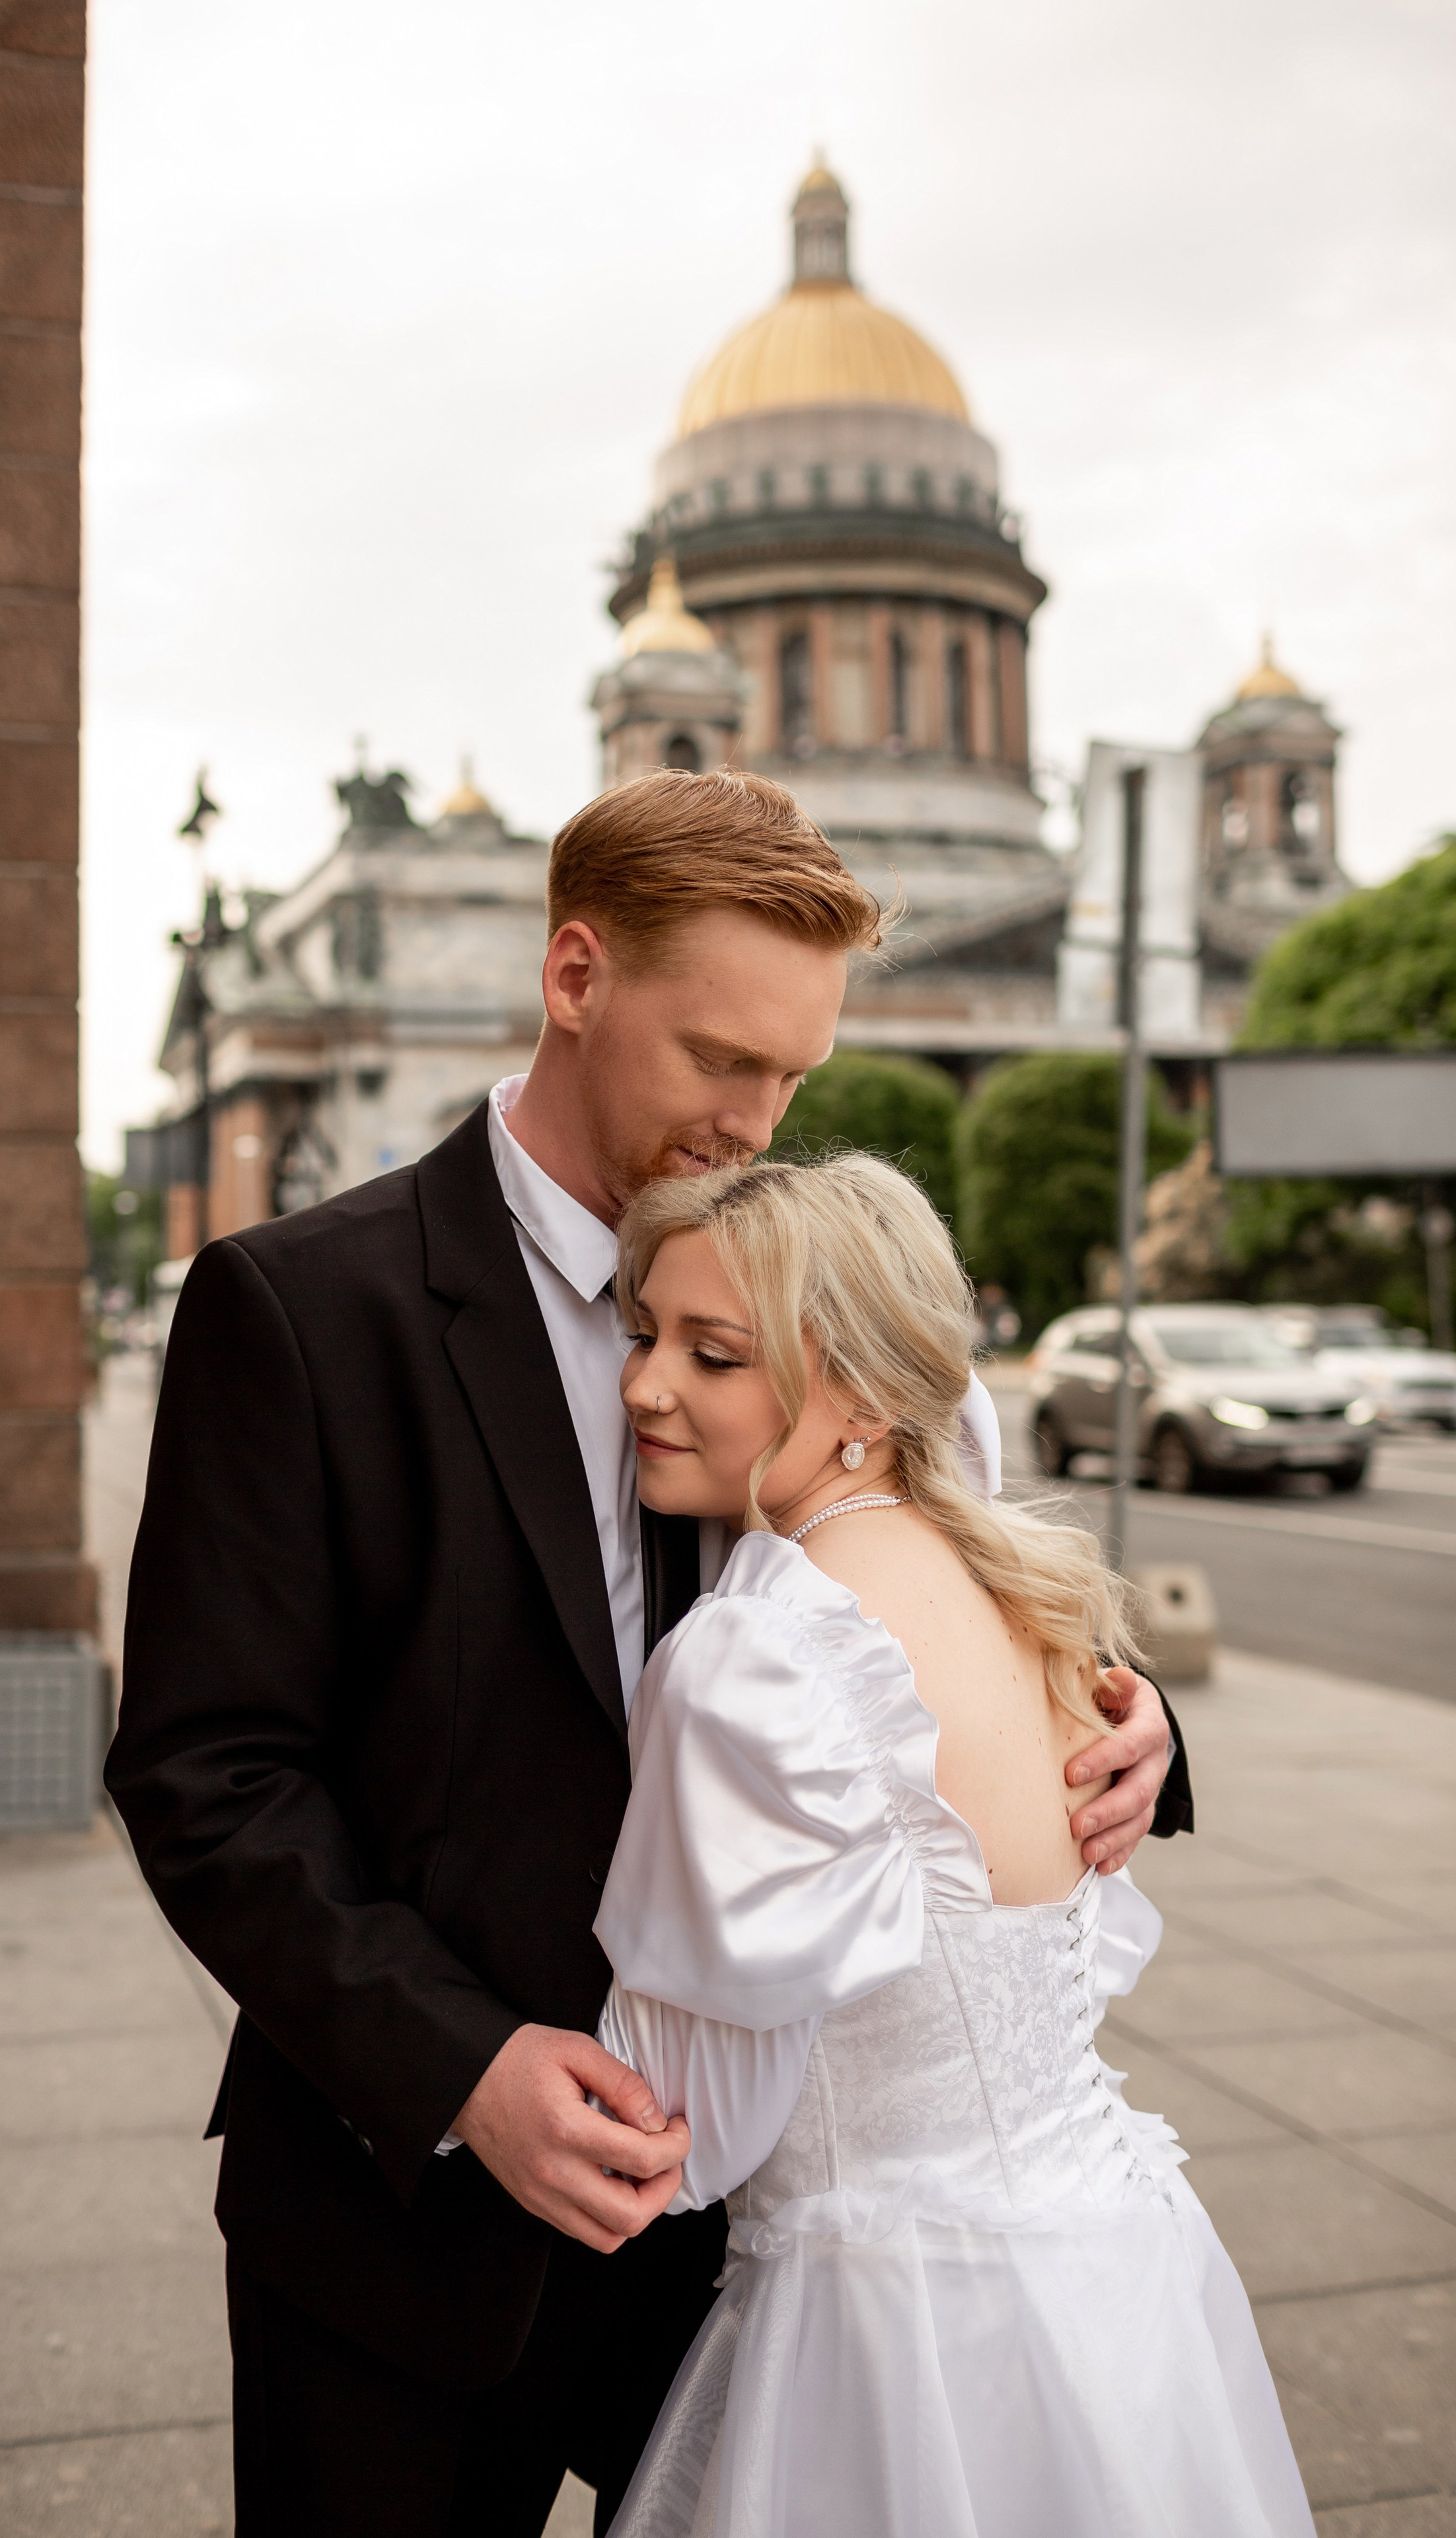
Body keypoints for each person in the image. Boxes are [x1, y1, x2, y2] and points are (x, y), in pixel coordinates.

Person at [105, 768, 1189, 2538]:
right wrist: (466, 2069)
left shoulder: (814, 1301)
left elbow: (950, 1589)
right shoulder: (301, 1308)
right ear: (578, 974)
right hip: (408, 2222)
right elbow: (208, 1777)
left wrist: (1127, 1727)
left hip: (757, 2243)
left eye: (795, 1075)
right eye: (720, 1059)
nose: (759, 1118)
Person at [595, 1152, 1312, 2537]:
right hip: (1114, 2277)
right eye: (643, 1333)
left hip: (887, 2328)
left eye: (713, 1352)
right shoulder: (1015, 1590)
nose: (642, 1383)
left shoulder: (751, 1656)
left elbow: (690, 2123)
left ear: (861, 1395)